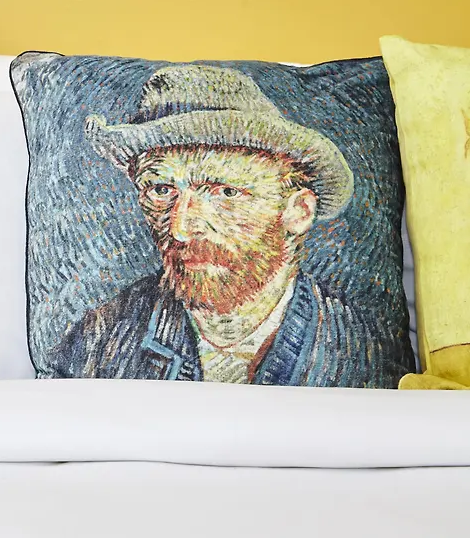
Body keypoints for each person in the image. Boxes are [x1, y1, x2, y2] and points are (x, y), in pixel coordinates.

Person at [55, 64, 400, 387]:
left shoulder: (360, 351)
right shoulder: (98, 340)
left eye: (226, 192)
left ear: (298, 211)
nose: (181, 228)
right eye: (161, 190)